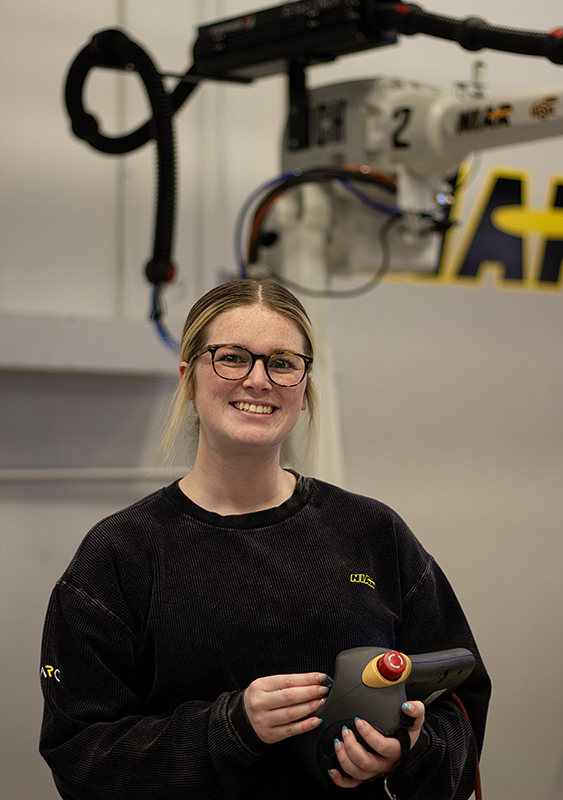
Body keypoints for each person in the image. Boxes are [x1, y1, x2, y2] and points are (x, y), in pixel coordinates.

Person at [39, 278, 491, 800]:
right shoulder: (119, 556)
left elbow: (462, 702)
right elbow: (80, 756)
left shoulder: (374, 534)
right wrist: (229, 728)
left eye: (282, 362)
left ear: (303, 390)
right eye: (232, 357)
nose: (258, 380)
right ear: (189, 379)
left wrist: (410, 752)